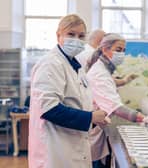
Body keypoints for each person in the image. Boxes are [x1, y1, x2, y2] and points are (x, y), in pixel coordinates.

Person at [28, 14, 108, 168]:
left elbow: (76, 102)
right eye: (71, 34)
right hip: (55, 151)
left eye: (81, 36)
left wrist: (94, 118)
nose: (76, 39)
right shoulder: (51, 64)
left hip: (73, 146)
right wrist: (90, 117)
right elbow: (49, 109)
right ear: (59, 35)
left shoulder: (76, 67)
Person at [86, 33, 148, 168]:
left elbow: (109, 83)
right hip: (93, 129)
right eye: (118, 50)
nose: (121, 54)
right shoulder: (99, 72)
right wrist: (145, 119)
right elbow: (117, 108)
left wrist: (124, 80)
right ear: (105, 49)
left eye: (123, 50)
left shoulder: (102, 69)